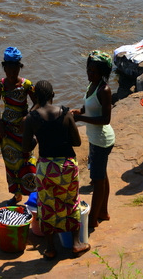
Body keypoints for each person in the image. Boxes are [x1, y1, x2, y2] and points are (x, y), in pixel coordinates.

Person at [22, 80, 90, 259]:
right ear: (53, 95)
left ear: (35, 97)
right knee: (71, 201)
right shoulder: (65, 113)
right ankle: (76, 243)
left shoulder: (31, 118)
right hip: (66, 165)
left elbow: (25, 147)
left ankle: (50, 248)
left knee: (46, 206)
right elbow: (77, 142)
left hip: (46, 168)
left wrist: (37, 139)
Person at [71, 50, 115, 230]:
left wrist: (81, 119)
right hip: (95, 138)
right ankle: (103, 211)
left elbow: (106, 119)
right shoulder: (92, 86)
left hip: (102, 140)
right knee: (101, 176)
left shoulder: (104, 89)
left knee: (97, 180)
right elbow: (88, 107)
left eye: (94, 72)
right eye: (88, 70)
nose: (90, 74)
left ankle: (93, 219)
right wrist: (78, 112)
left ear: (102, 73)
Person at [0, 46, 36, 203]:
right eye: (8, 70)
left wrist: (28, 117)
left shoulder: (26, 85)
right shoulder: (0, 85)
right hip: (7, 130)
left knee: (28, 161)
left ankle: (33, 196)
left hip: (23, 130)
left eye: (15, 70)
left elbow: (37, 103)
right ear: (4, 68)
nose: (11, 74)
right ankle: (17, 195)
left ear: (20, 67)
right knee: (10, 163)